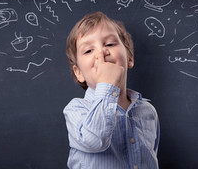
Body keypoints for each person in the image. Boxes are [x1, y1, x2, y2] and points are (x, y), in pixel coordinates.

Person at [63, 11, 160, 169]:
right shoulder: (76, 110)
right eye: (88, 51)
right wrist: (107, 85)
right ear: (79, 72)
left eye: (109, 44)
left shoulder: (147, 111)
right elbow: (95, 141)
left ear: (129, 58)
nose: (101, 52)